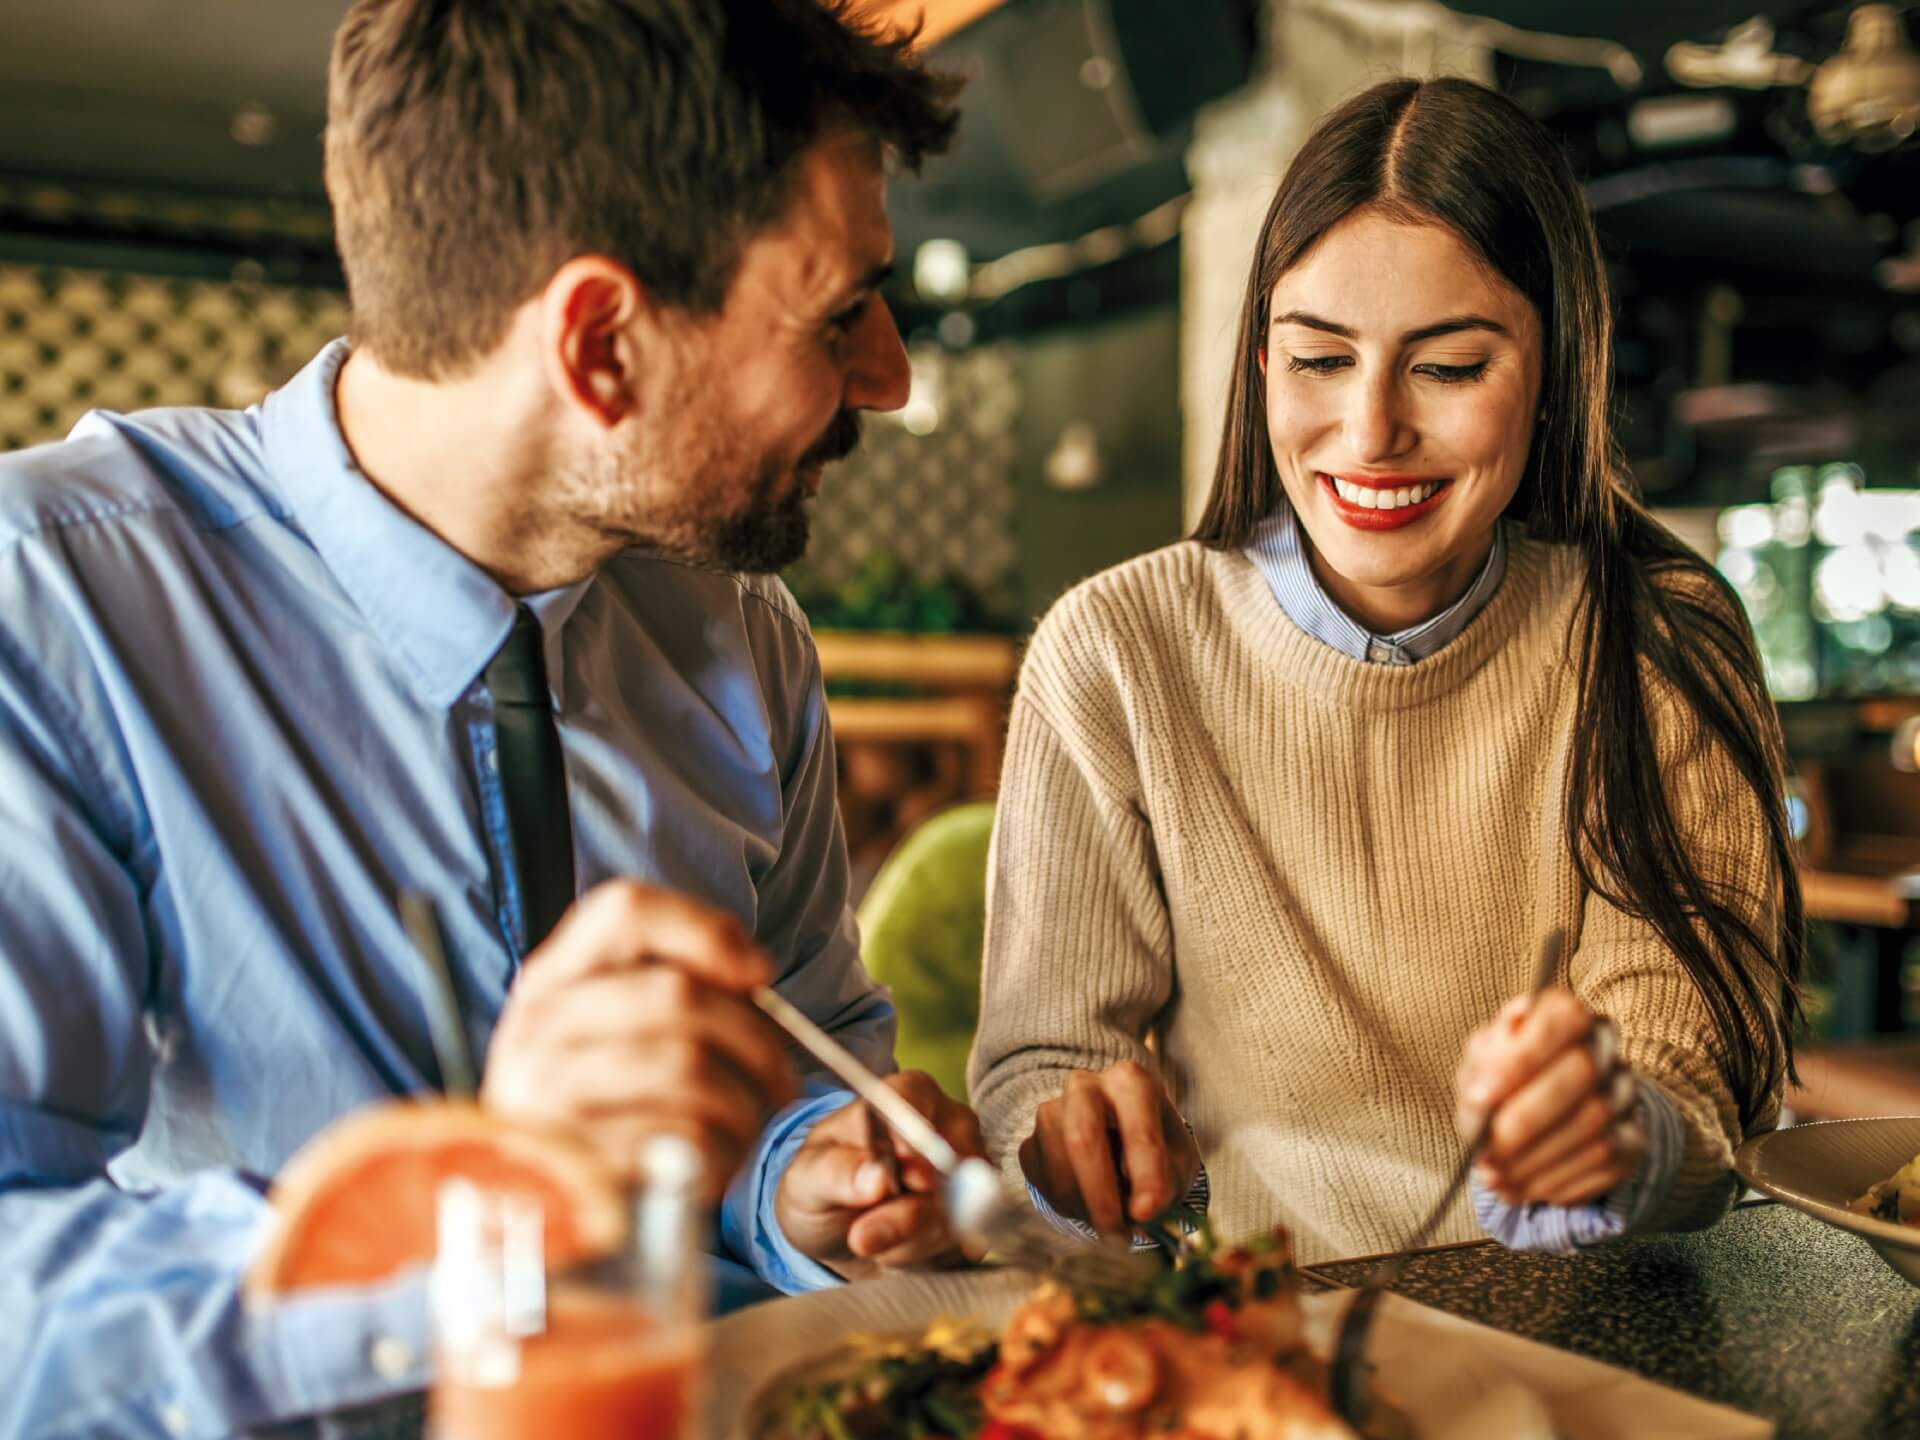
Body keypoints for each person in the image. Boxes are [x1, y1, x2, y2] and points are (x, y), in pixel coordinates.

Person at [0, 2, 979, 1434]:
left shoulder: (740, 630)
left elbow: (808, 1051)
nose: (887, 377)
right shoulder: (52, 608)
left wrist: (805, 1183)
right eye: (839, 315)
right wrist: (484, 1208)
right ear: (598, 344)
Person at [969, 76, 1805, 1267]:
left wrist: (1628, 1132)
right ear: (1261, 363)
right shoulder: (1116, 651)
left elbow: (1697, 1077)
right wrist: (1072, 1144)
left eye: (1449, 369)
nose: (1370, 433)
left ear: (1558, 366)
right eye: (1318, 360)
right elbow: (1037, 1066)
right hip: (1275, 1336)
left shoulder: (1655, 640)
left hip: (1606, 1334)